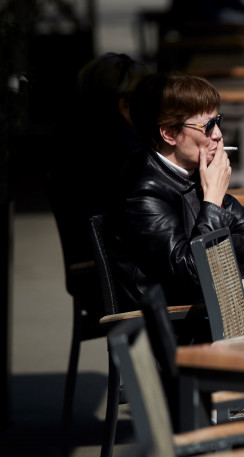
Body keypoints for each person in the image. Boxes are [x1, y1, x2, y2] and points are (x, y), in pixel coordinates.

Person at [106, 72, 244, 313]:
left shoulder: (190, 173)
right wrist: (212, 200)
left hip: (213, 307)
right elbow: (192, 271)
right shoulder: (143, 192)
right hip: (181, 323)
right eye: (207, 126)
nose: (218, 134)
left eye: (218, 121)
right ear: (169, 134)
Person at [45, 53, 152, 299]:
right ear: (124, 104)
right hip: (124, 278)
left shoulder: (64, 138)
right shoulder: (129, 148)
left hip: (88, 276)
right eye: (146, 99)